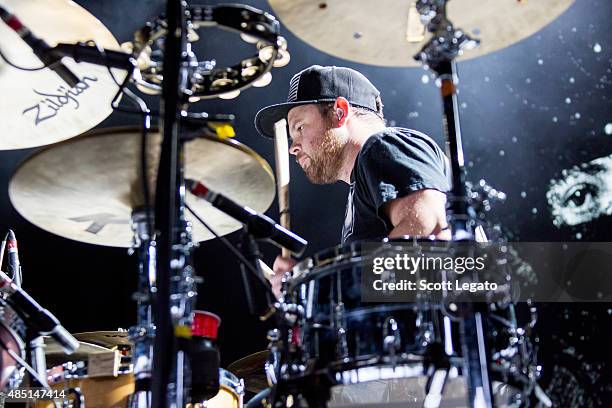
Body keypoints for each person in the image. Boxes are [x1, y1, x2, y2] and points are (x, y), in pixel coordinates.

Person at [254, 65, 451, 297]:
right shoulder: (364, 180)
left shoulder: (383, 146)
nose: (292, 147)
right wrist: (305, 285)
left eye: (299, 128)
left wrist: (327, 291)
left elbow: (429, 236)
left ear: (339, 112)